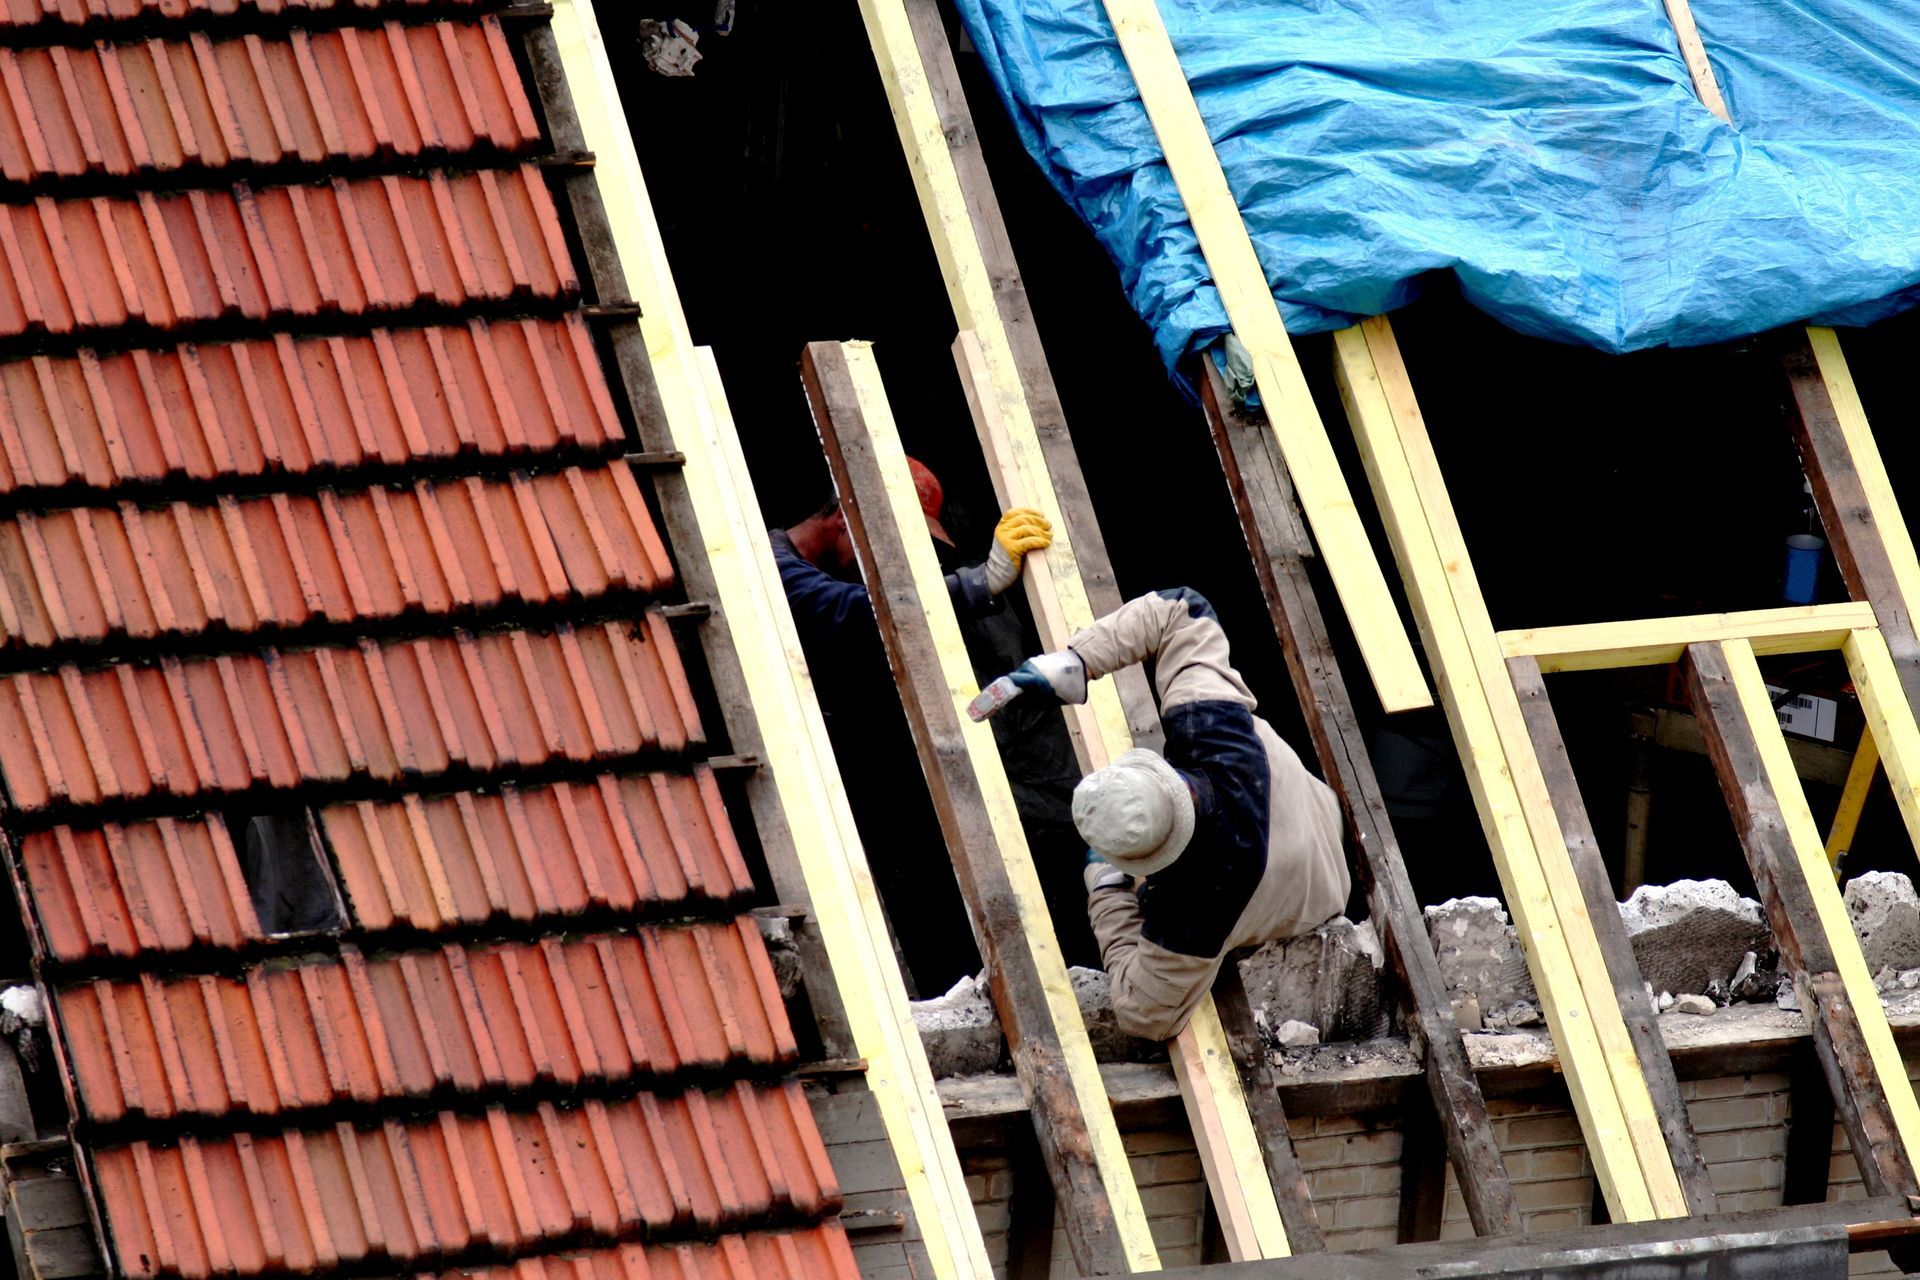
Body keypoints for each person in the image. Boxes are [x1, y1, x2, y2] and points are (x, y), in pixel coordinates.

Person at [771, 459, 1098, 985]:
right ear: (845, 517)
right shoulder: (767, 566)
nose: (899, 563)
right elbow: (852, 611)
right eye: (893, 543)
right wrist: (980, 583)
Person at [972, 587, 1349, 1040]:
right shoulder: (1212, 730)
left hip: (1325, 891)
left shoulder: (1195, 905)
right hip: (1322, 813)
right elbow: (1180, 610)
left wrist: (1107, 891)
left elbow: (1143, 1016)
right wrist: (1076, 661)